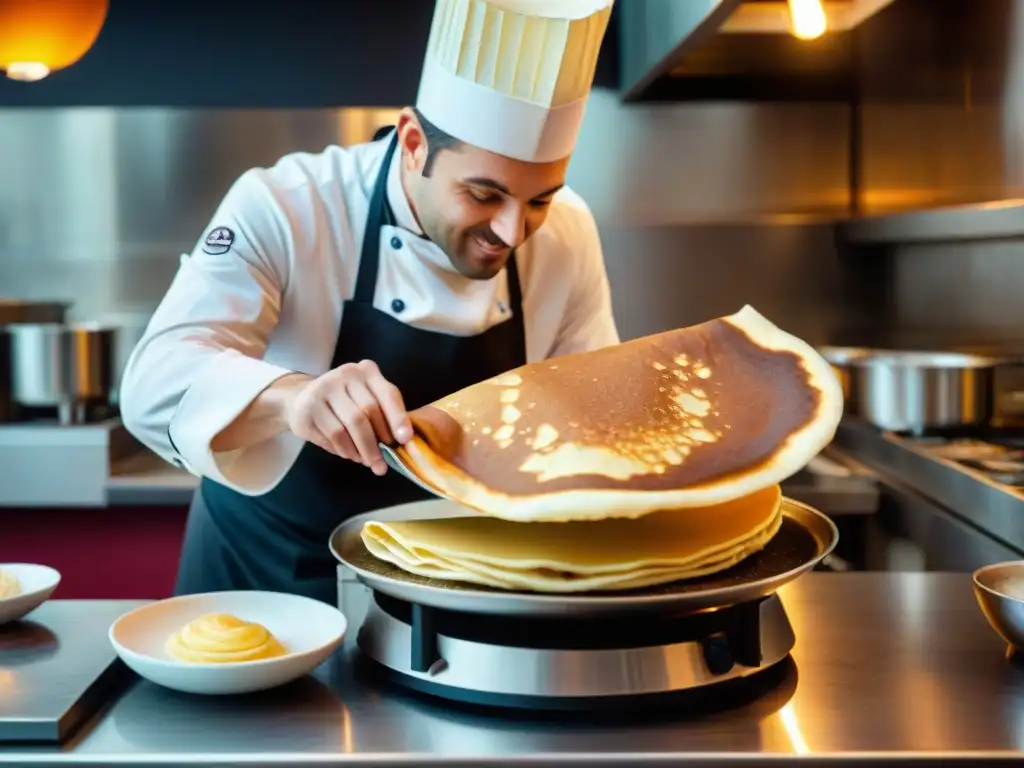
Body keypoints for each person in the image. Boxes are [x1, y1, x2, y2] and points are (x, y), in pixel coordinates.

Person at [120, 0, 619, 605]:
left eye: (539, 200)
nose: (513, 232)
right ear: (413, 142)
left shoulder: (568, 231)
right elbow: (153, 385)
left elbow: (595, 414)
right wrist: (297, 397)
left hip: (457, 586)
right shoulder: (287, 204)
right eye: (484, 194)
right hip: (270, 577)